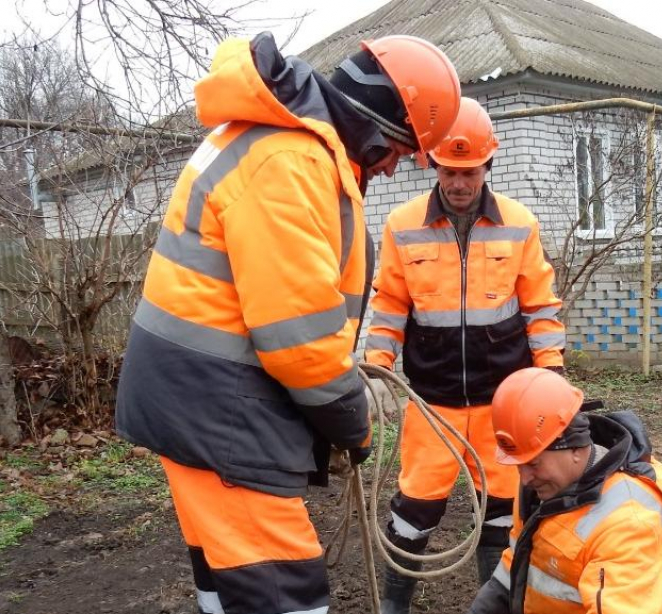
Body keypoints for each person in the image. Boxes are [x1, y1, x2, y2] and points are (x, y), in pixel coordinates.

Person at [115, 31, 460, 614]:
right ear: (380, 129)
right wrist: (353, 419)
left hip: (198, 401)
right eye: (401, 152)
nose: (396, 168)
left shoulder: (278, 141)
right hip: (222, 416)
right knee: (285, 591)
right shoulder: (290, 162)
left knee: (225, 578)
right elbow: (297, 340)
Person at [365, 97, 566, 614]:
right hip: (433, 403)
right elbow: (389, 304)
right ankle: (394, 606)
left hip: (506, 402)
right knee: (414, 509)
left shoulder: (518, 223)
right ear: (433, 164)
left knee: (503, 512)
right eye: (450, 171)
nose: (459, 183)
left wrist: (552, 379)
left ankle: (493, 605)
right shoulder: (402, 224)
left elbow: (540, 306)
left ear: (487, 166)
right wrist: (379, 370)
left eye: (469, 171)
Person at [467, 367, 662, 614]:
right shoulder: (542, 488)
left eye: (533, 464)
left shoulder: (627, 525)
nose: (524, 478)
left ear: (575, 448)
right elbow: (517, 564)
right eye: (518, 464)